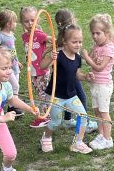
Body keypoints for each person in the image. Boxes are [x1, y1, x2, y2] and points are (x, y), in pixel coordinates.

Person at [39, 23, 95, 154]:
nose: (78, 45)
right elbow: (42, 66)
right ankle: (46, 138)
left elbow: (76, 75)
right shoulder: (58, 55)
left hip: (71, 95)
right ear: (64, 41)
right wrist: (50, 58)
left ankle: (78, 143)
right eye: (74, 42)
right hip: (56, 96)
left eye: (80, 42)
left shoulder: (77, 58)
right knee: (55, 121)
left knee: (83, 117)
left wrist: (85, 77)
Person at [55, 9, 96, 131]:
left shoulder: (62, 38)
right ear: (71, 21)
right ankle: (86, 124)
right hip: (71, 75)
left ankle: (67, 120)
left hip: (65, 75)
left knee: (67, 97)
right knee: (81, 98)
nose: (78, 44)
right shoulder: (67, 38)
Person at [81, 14, 114, 150]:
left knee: (104, 112)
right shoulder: (97, 46)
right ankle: (101, 135)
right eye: (93, 33)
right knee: (97, 111)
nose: (94, 36)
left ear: (107, 33)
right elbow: (92, 59)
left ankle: (108, 139)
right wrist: (90, 58)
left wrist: (86, 57)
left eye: (98, 33)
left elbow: (99, 67)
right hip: (95, 84)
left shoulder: (109, 48)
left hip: (103, 85)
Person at [20, 6, 51, 128]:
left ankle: (45, 116)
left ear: (37, 20)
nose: (30, 23)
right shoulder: (24, 36)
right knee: (40, 93)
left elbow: (52, 40)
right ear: (22, 22)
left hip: (41, 71)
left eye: (32, 20)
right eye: (26, 21)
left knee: (42, 94)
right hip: (32, 71)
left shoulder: (40, 35)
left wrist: (49, 49)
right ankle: (46, 115)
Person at [0, 9, 20, 96]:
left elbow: (13, 49)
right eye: (15, 22)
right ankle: (14, 102)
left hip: (14, 64)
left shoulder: (11, 34)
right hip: (6, 66)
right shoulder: (0, 36)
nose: (16, 24)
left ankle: (11, 102)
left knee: (14, 85)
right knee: (15, 86)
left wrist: (17, 61)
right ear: (8, 23)